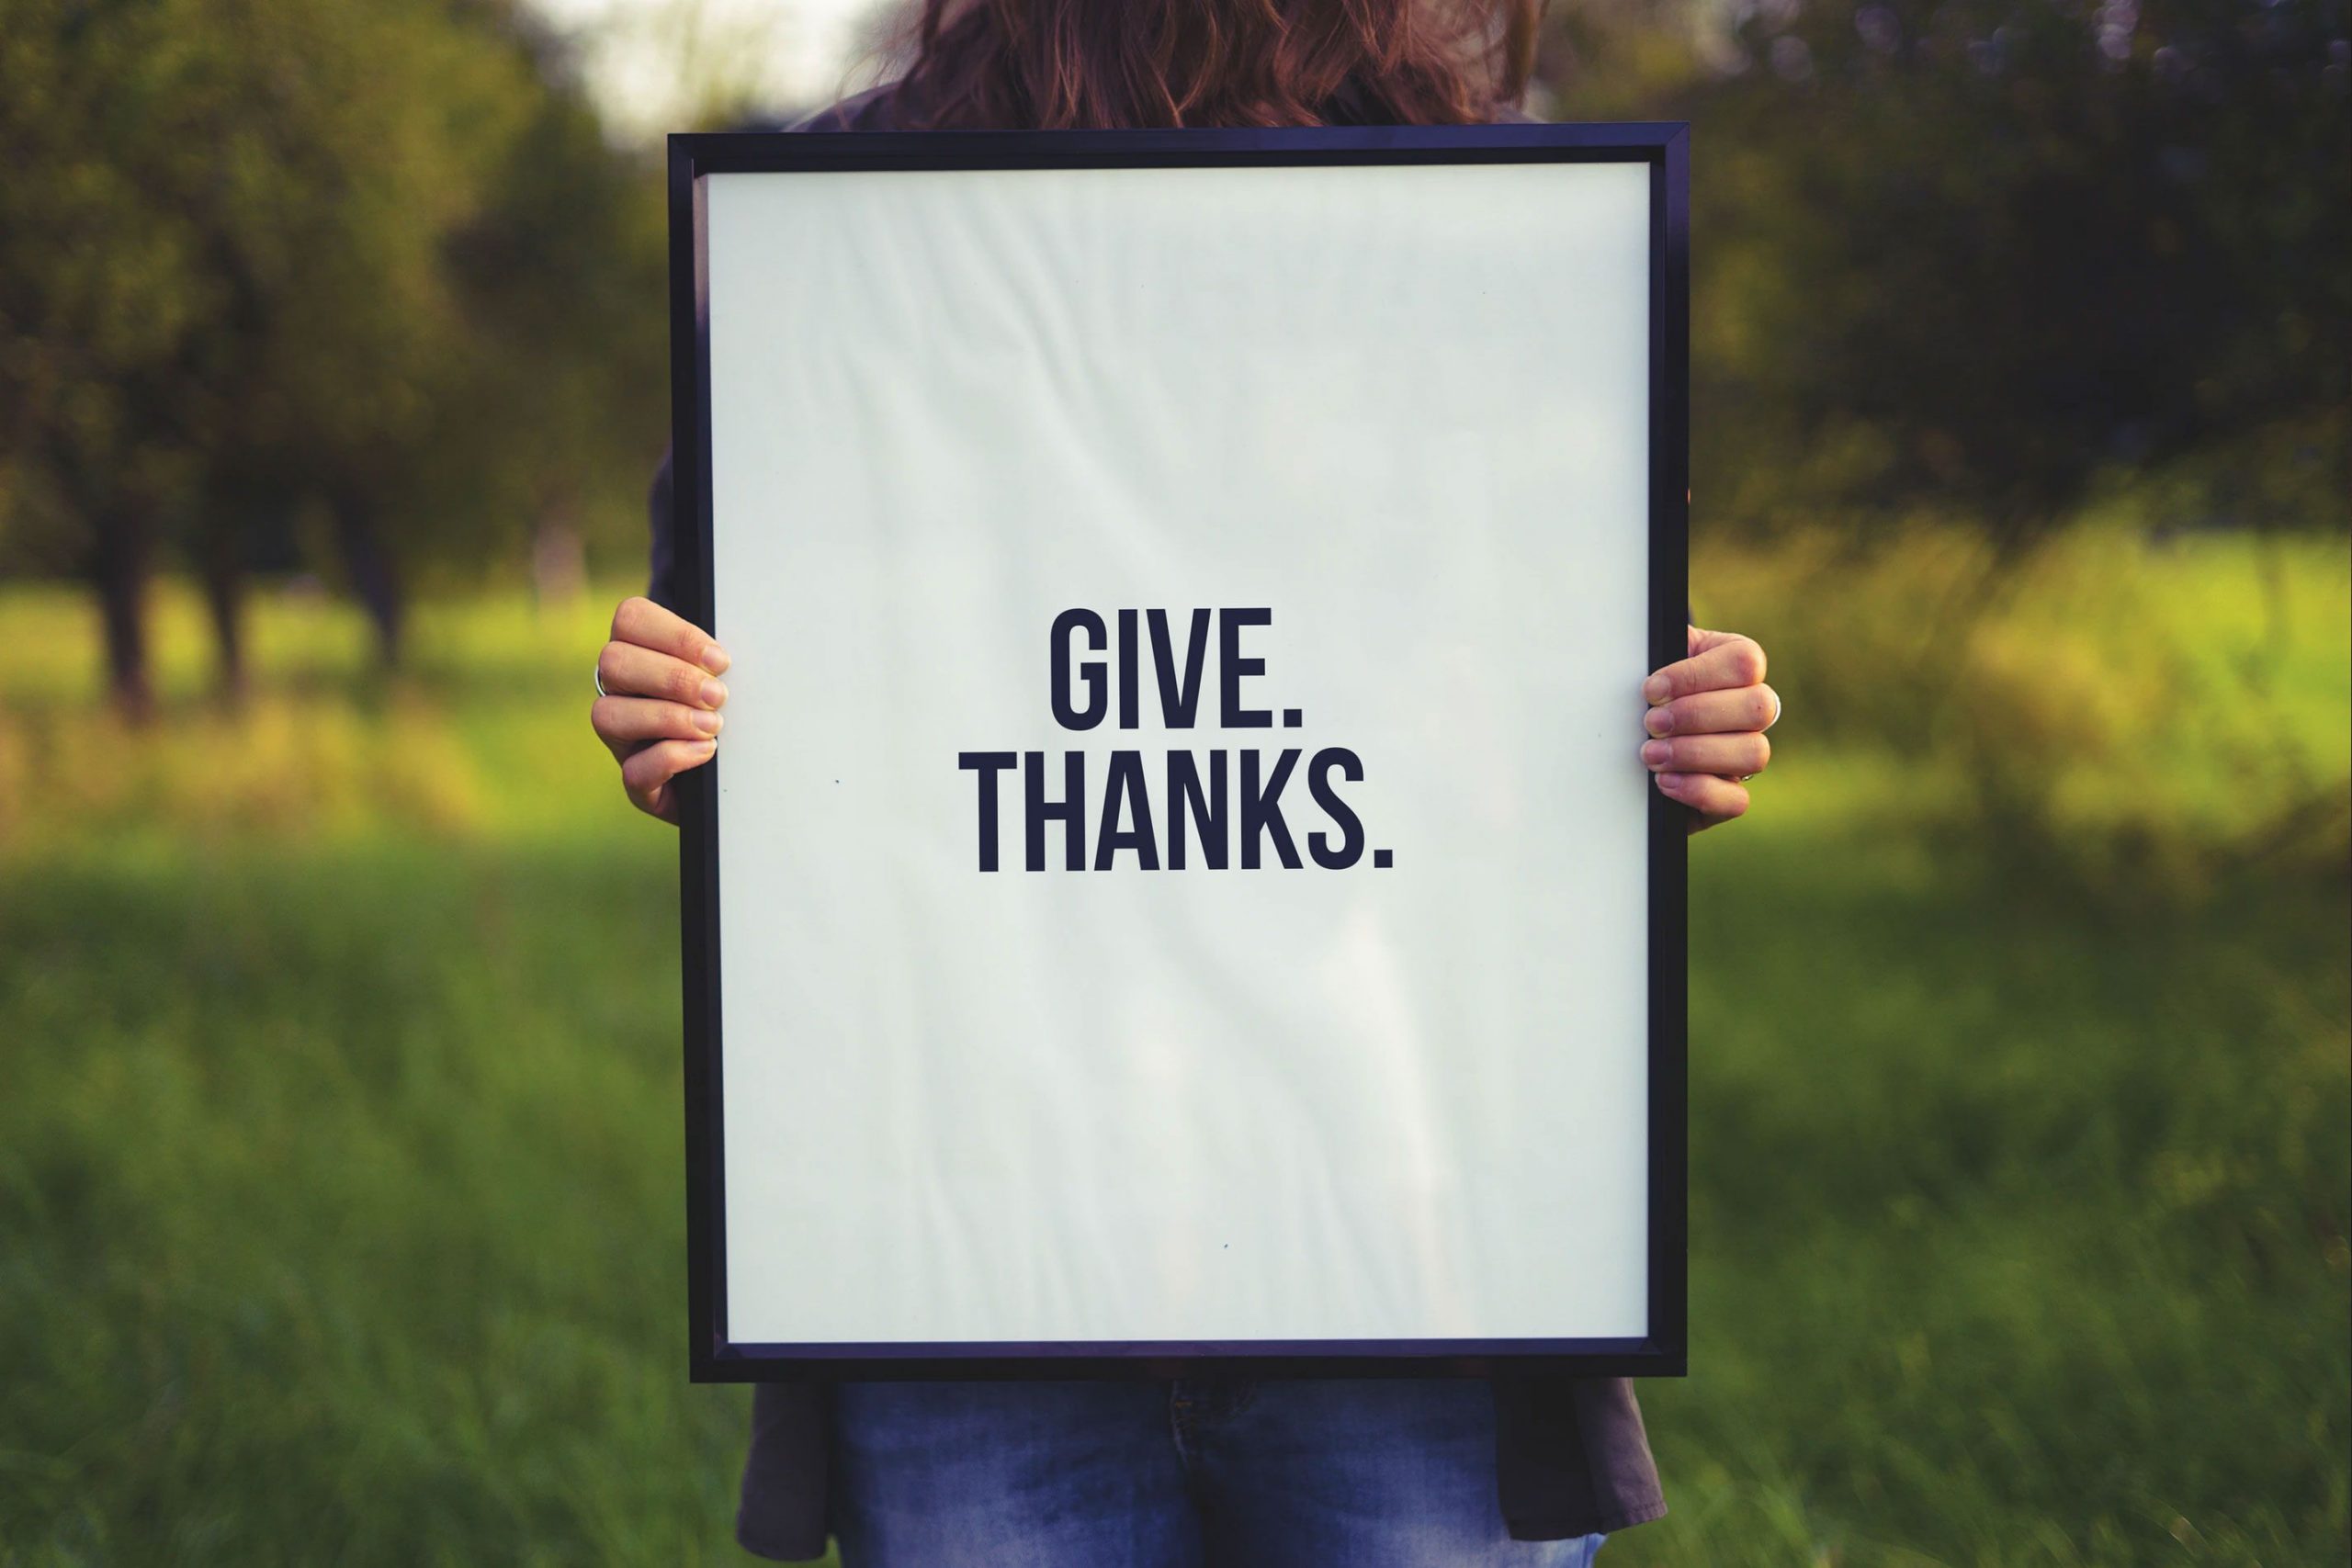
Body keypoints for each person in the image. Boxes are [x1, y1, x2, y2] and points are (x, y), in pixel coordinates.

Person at [591, 2, 1780, 1562]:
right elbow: (762, 688)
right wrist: (672, 717)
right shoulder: (838, 218)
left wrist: (1662, 726)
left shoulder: (1488, 214)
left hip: (1400, 1240)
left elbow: (1518, 667)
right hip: (970, 1254)